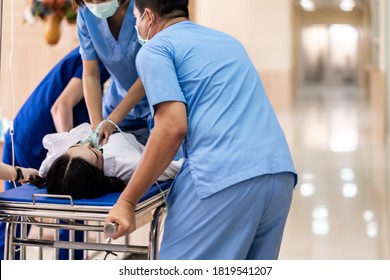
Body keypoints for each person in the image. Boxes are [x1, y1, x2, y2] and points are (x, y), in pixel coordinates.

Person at [105, 0, 298, 260]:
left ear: (149, 17)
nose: (137, 27)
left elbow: (172, 127)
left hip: (221, 178)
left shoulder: (156, 49)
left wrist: (127, 202)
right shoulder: (227, 42)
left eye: (137, 19)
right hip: (278, 175)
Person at [0, 46, 109, 260]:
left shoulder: (90, 56)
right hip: (30, 144)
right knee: (15, 224)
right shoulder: (92, 59)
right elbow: (61, 107)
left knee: (71, 214)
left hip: (31, 141)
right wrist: (68, 150)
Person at [73, 0, 150, 145]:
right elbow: (90, 74)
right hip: (116, 105)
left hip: (156, 103)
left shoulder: (144, 6)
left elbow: (151, 71)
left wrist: (112, 121)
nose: (95, 2)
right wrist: (96, 128)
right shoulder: (86, 14)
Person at [37, 122, 181, 199]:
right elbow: (178, 168)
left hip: (116, 120)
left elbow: (41, 173)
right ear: (100, 171)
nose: (88, 142)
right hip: (140, 132)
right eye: (94, 150)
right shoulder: (129, 166)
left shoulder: (60, 165)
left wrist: (20, 174)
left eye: (78, 144)